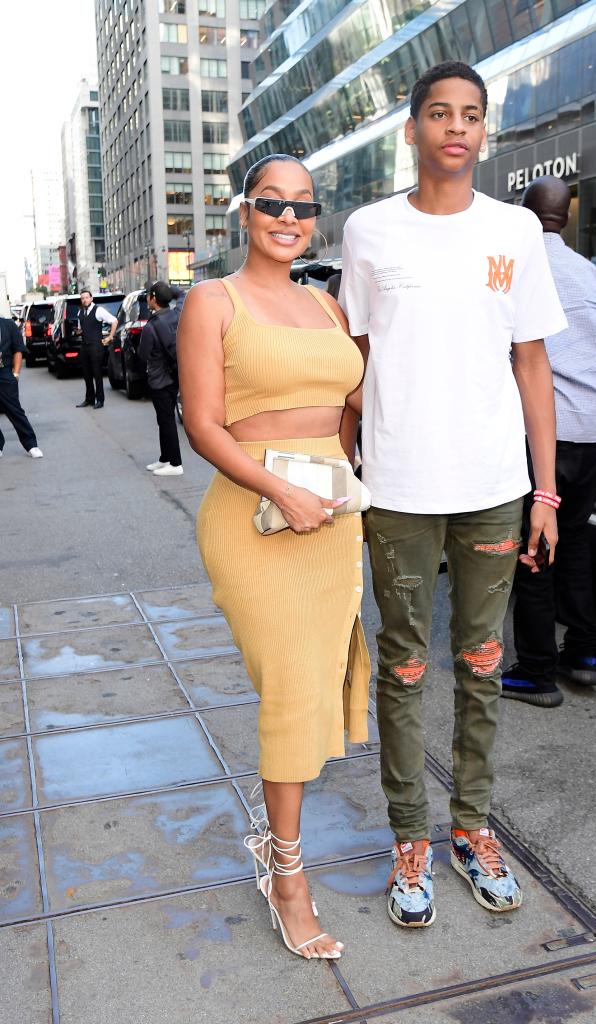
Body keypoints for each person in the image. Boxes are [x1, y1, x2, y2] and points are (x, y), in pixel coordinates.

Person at [339, 61, 567, 928]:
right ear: (413, 128)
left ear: (485, 129)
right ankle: (409, 835)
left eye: (472, 114)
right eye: (440, 113)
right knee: (401, 669)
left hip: (493, 488)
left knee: (480, 664)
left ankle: (471, 827)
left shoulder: (514, 231)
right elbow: (352, 367)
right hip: (395, 488)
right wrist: (333, 472)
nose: (457, 128)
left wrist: (546, 492)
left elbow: (533, 364)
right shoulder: (368, 232)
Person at [177, 154, 368, 961]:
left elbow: (353, 400)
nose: (288, 219)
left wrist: (337, 473)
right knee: (291, 689)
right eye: (270, 204)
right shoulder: (210, 301)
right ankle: (287, 876)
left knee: (316, 682)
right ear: (243, 214)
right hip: (253, 518)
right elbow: (203, 424)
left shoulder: (325, 305)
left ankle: (275, 845)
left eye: (301, 206)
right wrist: (281, 490)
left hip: (329, 518)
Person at [501, 176, 596, 708]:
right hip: (594, 427)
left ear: (527, 217)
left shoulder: (514, 273)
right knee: (572, 537)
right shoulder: (595, 276)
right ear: (566, 218)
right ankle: (583, 653)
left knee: (534, 546)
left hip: (542, 430)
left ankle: (535, 671)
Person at [139, 281, 183, 476]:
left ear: (153, 299)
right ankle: (165, 458)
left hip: (159, 380)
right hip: (176, 376)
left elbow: (142, 355)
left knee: (166, 421)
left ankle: (175, 463)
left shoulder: (151, 327)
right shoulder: (177, 314)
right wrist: (164, 290)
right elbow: (181, 294)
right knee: (164, 420)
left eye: (149, 295)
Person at [0, 315, 43, 459]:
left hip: (4, 372)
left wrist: (16, 373)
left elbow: (18, 349)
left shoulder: (8, 325)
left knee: (14, 410)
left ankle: (31, 444)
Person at [75, 289, 118, 409]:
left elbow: (114, 321)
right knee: (86, 374)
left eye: (87, 297)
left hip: (96, 346)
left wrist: (110, 337)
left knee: (97, 373)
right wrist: (77, 331)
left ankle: (100, 400)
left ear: (91, 298)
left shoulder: (98, 310)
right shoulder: (80, 313)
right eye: (82, 298)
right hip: (84, 346)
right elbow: (81, 328)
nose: (84, 300)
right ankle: (89, 399)